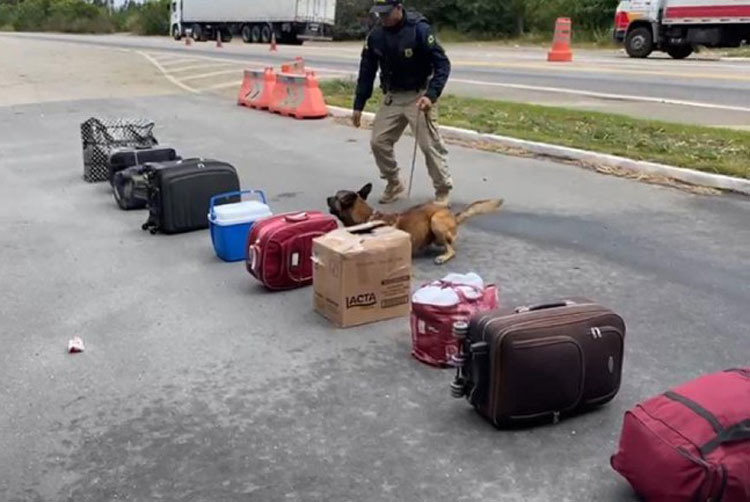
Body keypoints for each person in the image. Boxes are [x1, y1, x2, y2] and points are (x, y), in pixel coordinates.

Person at [352, 0, 453, 206]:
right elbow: (367, 71)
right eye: (379, 14)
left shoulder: (419, 29)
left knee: (428, 145)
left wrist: (431, 95)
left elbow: (442, 64)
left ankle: (442, 189)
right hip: (393, 95)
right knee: (378, 141)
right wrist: (358, 104)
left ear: (399, 8)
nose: (383, 18)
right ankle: (394, 182)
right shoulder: (376, 36)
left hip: (420, 95)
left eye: (387, 13)